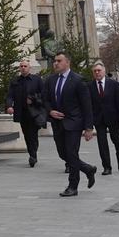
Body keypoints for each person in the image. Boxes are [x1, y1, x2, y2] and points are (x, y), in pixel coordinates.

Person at [42, 52, 97, 197]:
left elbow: (87, 106)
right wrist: (50, 111)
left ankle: (73, 186)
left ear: (67, 63)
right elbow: (45, 100)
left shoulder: (78, 80)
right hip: (57, 123)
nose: (55, 63)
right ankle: (87, 169)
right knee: (63, 154)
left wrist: (89, 128)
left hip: (74, 123)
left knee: (72, 154)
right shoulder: (50, 80)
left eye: (59, 61)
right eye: (54, 61)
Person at [3, 58, 46, 167]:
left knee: (33, 134)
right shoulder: (15, 81)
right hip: (22, 113)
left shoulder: (37, 80)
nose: (23, 68)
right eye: (21, 66)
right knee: (27, 134)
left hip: (34, 113)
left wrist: (34, 100)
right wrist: (9, 106)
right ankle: (32, 154)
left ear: (29, 68)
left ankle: (33, 155)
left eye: (25, 66)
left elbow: (44, 95)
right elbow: (10, 96)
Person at [90, 62, 119, 175]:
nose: (97, 72)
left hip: (113, 118)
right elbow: (89, 105)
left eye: (99, 70)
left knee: (117, 141)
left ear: (104, 71)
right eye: (95, 71)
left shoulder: (113, 84)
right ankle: (107, 167)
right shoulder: (89, 86)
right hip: (98, 119)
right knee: (102, 144)